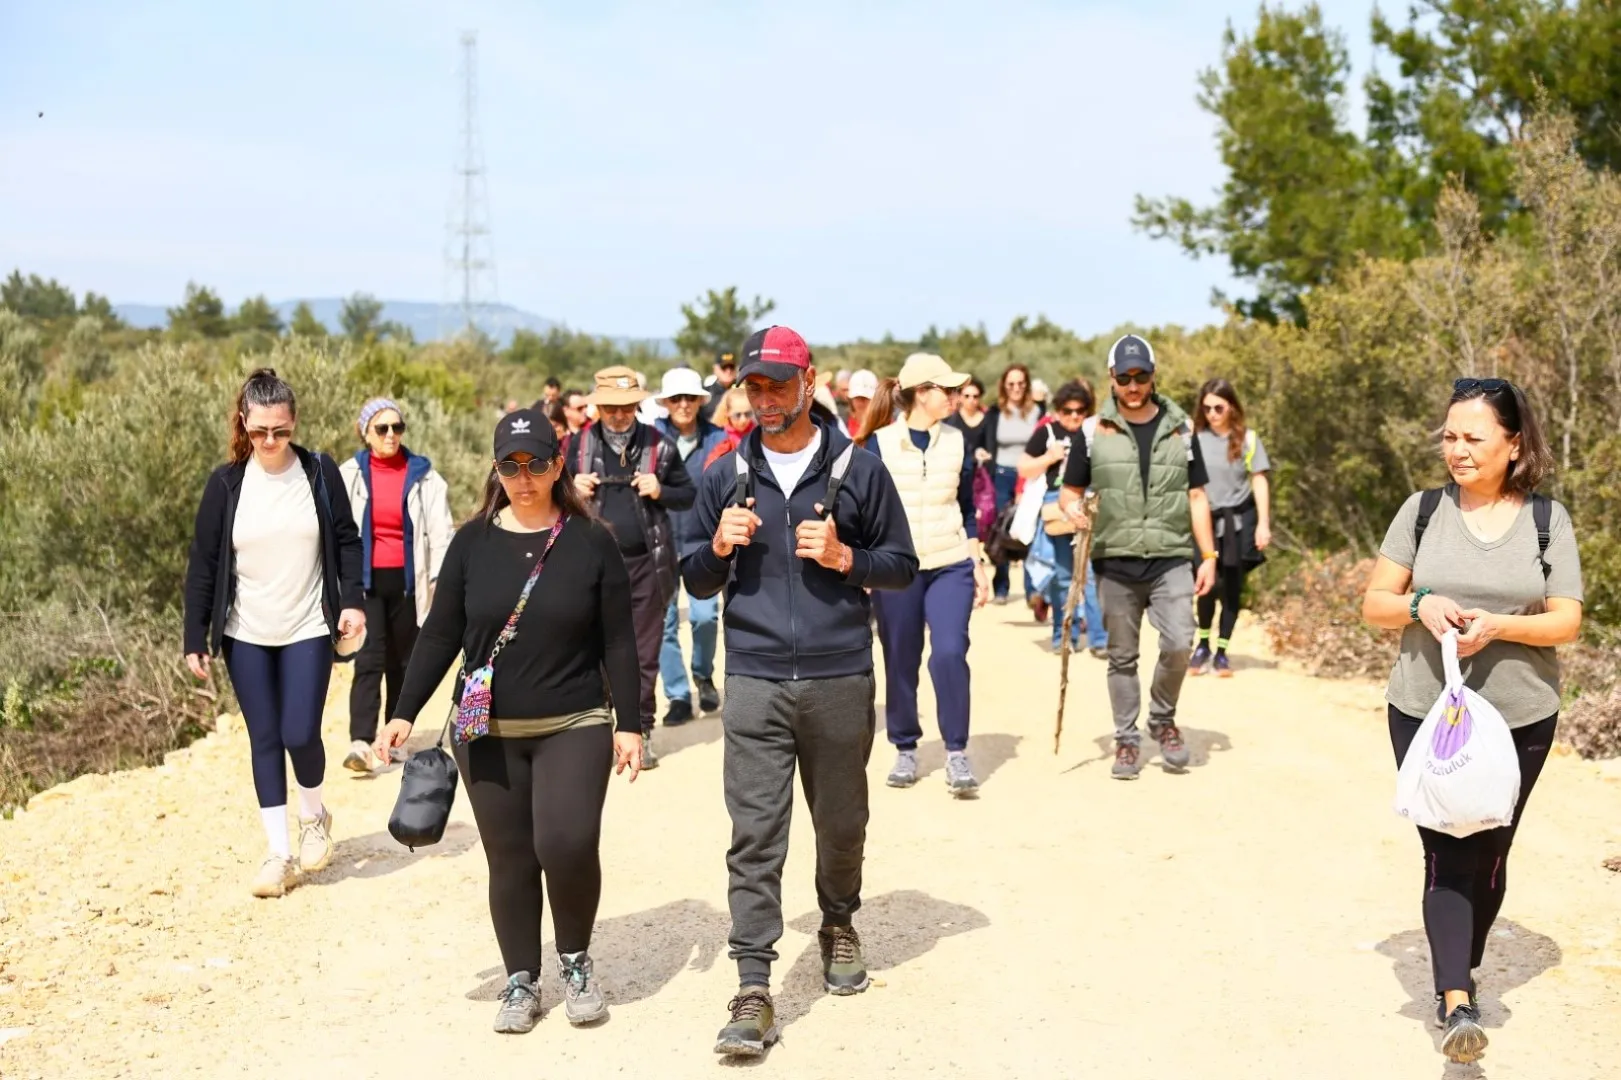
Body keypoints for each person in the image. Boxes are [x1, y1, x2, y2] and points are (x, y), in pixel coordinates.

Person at [683, 325, 918, 1058]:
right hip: (753, 676)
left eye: (778, 385)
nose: (764, 399)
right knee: (754, 835)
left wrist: (848, 557)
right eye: (754, 386)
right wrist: (718, 547)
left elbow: (901, 565)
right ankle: (754, 983)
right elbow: (691, 575)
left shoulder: (859, 469)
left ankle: (837, 920)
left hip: (838, 674)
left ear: (808, 382)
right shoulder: (724, 472)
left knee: (842, 823)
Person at [375, 409, 644, 1035]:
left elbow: (620, 642)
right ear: (496, 470)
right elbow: (440, 633)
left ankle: (575, 960)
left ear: (559, 465)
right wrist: (403, 710)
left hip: (574, 720)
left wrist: (628, 723)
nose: (524, 478)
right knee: (512, 857)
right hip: (486, 730)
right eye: (510, 466)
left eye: (537, 464)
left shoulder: (591, 540)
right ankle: (521, 978)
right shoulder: (471, 543)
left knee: (567, 843)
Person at [1361, 378, 1581, 1065]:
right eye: (1448, 437)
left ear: (1512, 444)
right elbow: (1375, 603)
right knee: (1446, 849)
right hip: (1426, 709)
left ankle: (1463, 954)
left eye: (1472, 438)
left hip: (1521, 713)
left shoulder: (1548, 520)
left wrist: (1502, 626)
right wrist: (1420, 601)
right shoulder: (1421, 511)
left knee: (1489, 849)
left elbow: (1565, 620)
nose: (1455, 450)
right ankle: (1455, 999)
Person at [182, 368, 365, 898]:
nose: (269, 441)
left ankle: (314, 815)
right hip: (246, 632)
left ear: (294, 424)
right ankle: (279, 853)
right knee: (264, 738)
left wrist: (351, 602)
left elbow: (347, 541)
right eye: (260, 430)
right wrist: (196, 634)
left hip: (308, 624)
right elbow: (205, 563)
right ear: (245, 422)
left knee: (299, 733)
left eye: (280, 431)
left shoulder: (318, 472)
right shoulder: (226, 483)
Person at [1057, 335, 1216, 780]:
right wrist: (1074, 512)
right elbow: (1069, 493)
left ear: (1152, 376)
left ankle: (1162, 719)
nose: (1132, 384)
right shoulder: (1092, 431)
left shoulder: (1182, 429)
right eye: (1124, 377)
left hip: (1171, 556)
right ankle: (1126, 739)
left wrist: (1209, 555)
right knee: (1122, 657)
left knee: (1181, 642)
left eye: (1140, 376)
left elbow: (1198, 495)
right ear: (1111, 377)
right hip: (1115, 559)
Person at [856, 354, 990, 796]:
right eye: (946, 390)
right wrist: (868, 562)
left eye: (956, 391)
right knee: (900, 658)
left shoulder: (959, 440)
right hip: (897, 567)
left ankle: (956, 752)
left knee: (950, 652)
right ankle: (905, 746)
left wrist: (978, 562)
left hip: (951, 562)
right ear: (920, 392)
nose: (954, 397)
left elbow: (969, 508)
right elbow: (865, 509)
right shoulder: (879, 443)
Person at [569, 365, 695, 768]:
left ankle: (641, 729)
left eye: (626, 408)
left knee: (644, 652)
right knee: (593, 649)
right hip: (591, 566)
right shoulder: (577, 445)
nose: (619, 416)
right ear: (598, 408)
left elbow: (687, 494)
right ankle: (603, 728)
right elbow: (545, 492)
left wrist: (662, 488)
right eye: (610, 408)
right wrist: (570, 487)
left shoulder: (659, 445)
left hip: (647, 564)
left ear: (638, 406)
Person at [336, 398, 455, 773]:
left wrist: (440, 578)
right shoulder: (348, 475)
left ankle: (395, 738)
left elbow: (441, 532)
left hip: (410, 581)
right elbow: (337, 532)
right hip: (366, 582)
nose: (391, 435)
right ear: (365, 432)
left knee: (403, 661)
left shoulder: (425, 476)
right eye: (382, 428)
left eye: (397, 428)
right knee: (369, 657)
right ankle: (360, 741)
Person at [653, 367, 732, 725]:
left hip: (704, 542)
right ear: (666, 403)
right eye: (675, 398)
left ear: (700, 401)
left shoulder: (720, 439)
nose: (683, 404)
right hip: (660, 542)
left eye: (689, 398)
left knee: (704, 618)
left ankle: (703, 673)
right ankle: (679, 696)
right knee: (665, 624)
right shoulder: (650, 439)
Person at [1189, 378, 1272, 677]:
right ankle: (1202, 646)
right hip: (1205, 524)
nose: (1212, 413)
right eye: (1207, 407)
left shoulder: (1248, 440)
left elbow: (1259, 480)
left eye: (1219, 407)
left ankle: (1222, 652)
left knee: (1231, 588)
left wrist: (1263, 523)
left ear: (1232, 407)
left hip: (1238, 523)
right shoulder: (1195, 439)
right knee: (1207, 587)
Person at [1018, 380, 1105, 656]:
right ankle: (1062, 635)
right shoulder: (1047, 432)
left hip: (1089, 505)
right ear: (1058, 410)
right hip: (1056, 506)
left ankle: (1099, 639)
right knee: (1062, 576)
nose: (1074, 416)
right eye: (1068, 411)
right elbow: (1024, 467)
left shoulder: (1095, 433)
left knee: (1091, 576)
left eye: (1080, 411)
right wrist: (1048, 457)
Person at [983, 364, 1044, 604]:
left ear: (1027, 385)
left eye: (1020, 383)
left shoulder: (1038, 411)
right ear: (1004, 386)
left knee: (1028, 529)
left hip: (1030, 477)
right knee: (1002, 529)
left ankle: (1032, 590)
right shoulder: (995, 412)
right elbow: (988, 444)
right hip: (1001, 474)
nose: (1016, 388)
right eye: (1011, 384)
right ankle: (1001, 585)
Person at [704, 387, 756, 470]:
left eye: (748, 414)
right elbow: (710, 471)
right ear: (727, 412)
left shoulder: (758, 433)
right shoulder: (719, 436)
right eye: (737, 415)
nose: (743, 420)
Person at [945, 375, 992, 464]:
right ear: (960, 397)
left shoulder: (988, 420)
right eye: (967, 396)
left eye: (975, 396)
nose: (971, 400)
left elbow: (990, 448)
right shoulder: (949, 420)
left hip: (981, 471)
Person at [703, 348, 738, 423]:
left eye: (731, 367)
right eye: (724, 367)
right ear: (715, 369)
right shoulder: (705, 393)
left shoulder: (744, 391)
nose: (728, 371)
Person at [845, 369, 877, 437]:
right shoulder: (843, 424)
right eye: (857, 397)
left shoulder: (885, 425)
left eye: (865, 398)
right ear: (851, 400)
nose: (861, 402)